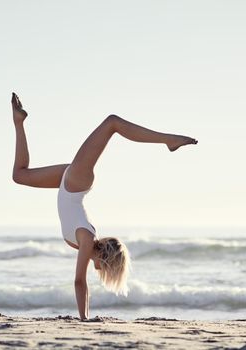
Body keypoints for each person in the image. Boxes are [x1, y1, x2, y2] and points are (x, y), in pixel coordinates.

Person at [11, 92, 197, 320]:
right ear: (105, 260)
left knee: (19, 176)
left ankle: (18, 121)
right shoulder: (87, 241)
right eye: (107, 269)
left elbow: (82, 281)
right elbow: (79, 282)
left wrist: (86, 318)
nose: (100, 272)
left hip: (69, 184)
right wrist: (84, 320)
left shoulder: (87, 242)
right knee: (112, 123)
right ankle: (169, 139)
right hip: (75, 182)